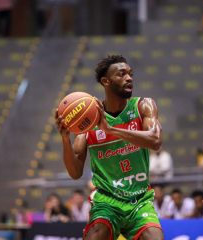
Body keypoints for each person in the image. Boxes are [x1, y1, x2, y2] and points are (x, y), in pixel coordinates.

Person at [55, 55, 164, 240]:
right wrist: (65, 139)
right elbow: (75, 173)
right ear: (106, 81)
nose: (129, 78)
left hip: (139, 199)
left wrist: (110, 129)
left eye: (130, 74)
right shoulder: (88, 120)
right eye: (122, 74)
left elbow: (155, 140)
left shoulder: (143, 105)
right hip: (107, 200)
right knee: (97, 235)